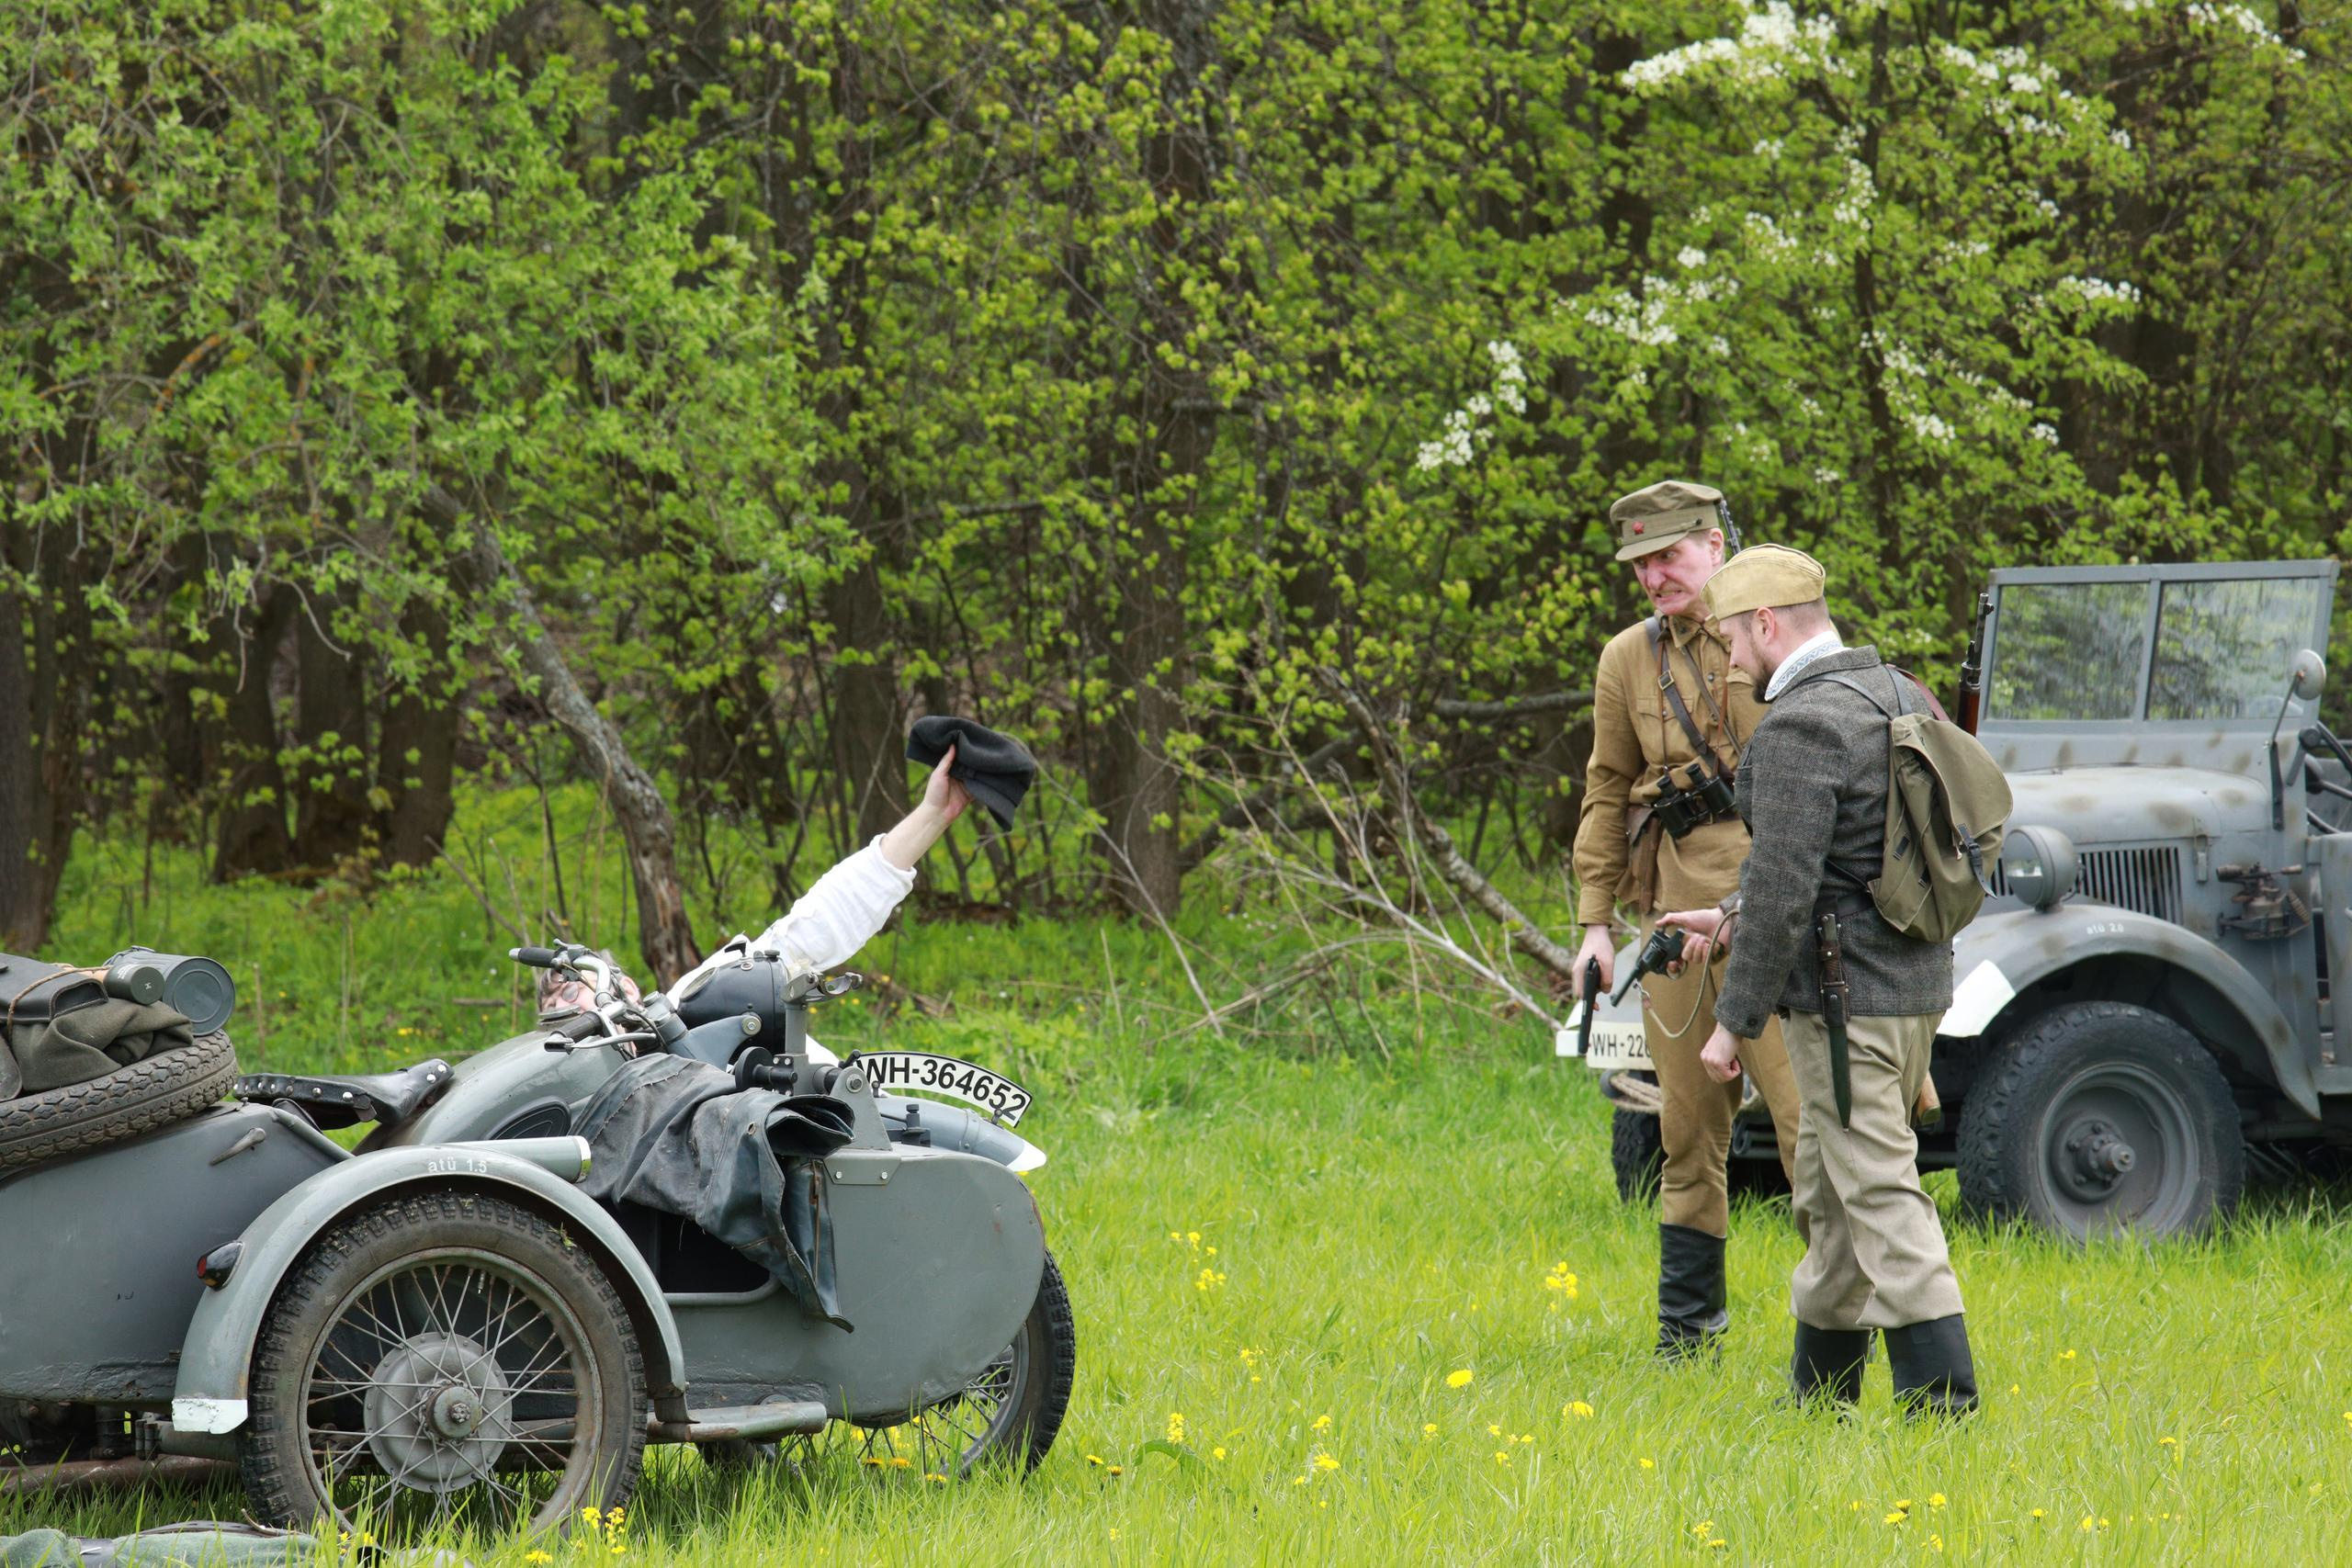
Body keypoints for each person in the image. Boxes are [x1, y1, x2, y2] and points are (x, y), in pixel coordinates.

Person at [1659, 546, 1977, 1416]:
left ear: (1766, 625)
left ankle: (1944, 1407)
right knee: (1830, 1198)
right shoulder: (1899, 694)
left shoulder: (1802, 724)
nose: (1726, 658)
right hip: (1911, 989)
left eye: (1729, 637)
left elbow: (1789, 886)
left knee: (1875, 1187)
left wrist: (1731, 1023)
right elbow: (1847, 860)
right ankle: (1819, 1400)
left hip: (1847, 1006)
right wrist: (1727, 913)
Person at [1570, 480, 1803, 1360]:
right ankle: (1688, 1337)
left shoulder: (1774, 629)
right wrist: (1595, 923)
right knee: (1685, 1129)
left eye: (1667, 556)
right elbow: (1605, 788)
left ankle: (1830, 1338)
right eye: (1638, 563)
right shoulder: (1628, 660)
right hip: (1676, 917)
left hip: (1774, 910)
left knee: (1801, 1127)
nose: (1652, 577)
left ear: (1713, 544)